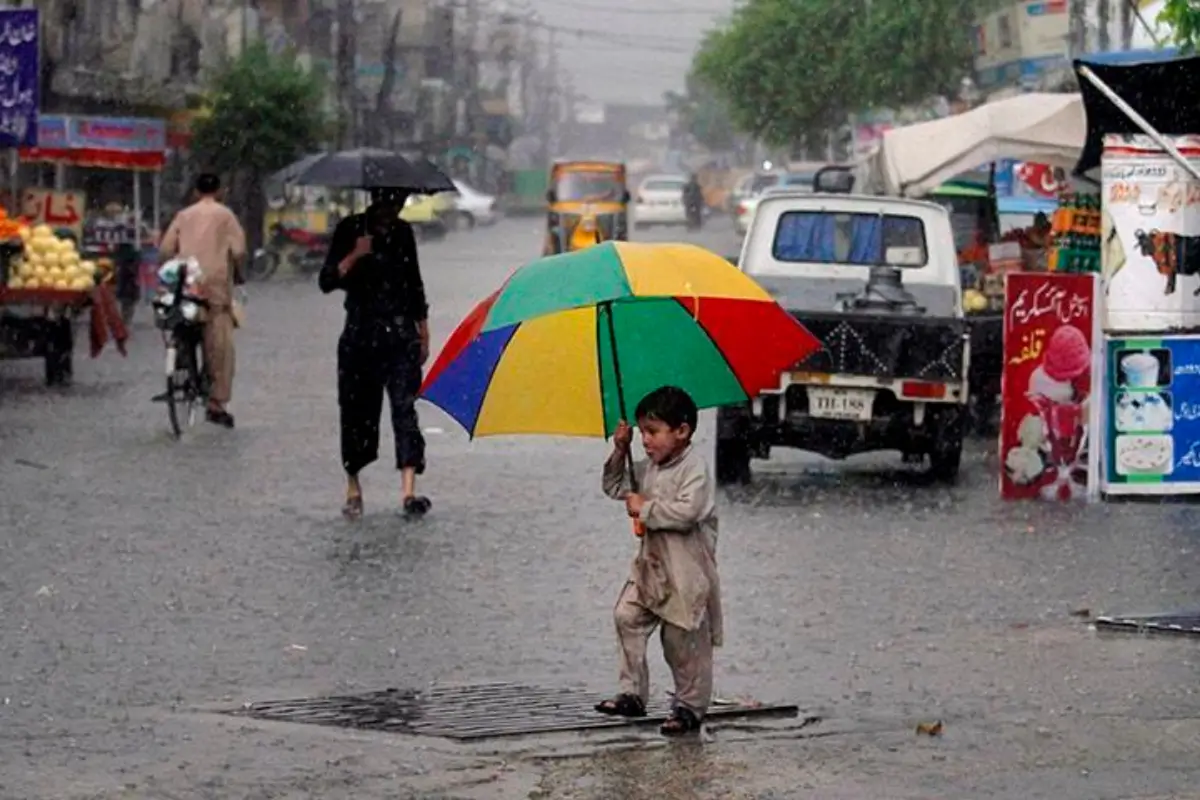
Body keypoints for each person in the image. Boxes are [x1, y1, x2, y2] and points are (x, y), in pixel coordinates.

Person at [596, 386, 723, 736]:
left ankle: (689, 706)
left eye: (653, 432)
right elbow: (614, 486)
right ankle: (632, 692)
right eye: (642, 433)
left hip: (685, 572)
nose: (646, 441)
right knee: (627, 616)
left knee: (682, 641)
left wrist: (646, 508)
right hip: (651, 568)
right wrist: (620, 450)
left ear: (682, 431)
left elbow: (687, 512)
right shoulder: (648, 468)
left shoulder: (694, 468)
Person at [319, 188, 432, 520]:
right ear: (375, 202)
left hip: (400, 337)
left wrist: (423, 329)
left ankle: (408, 491)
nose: (392, 212)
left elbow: (414, 283)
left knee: (405, 409)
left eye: (399, 204)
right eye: (388, 205)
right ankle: (353, 486)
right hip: (360, 335)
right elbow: (326, 280)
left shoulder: (403, 233)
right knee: (357, 413)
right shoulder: (350, 229)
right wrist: (354, 255)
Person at [159, 173, 247, 428]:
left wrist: (171, 269)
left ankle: (183, 365)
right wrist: (239, 275)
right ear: (220, 191)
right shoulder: (226, 216)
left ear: (196, 192)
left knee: (182, 326)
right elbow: (239, 251)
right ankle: (216, 404)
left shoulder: (183, 215)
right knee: (220, 348)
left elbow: (165, 250)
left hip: (185, 287)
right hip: (215, 291)